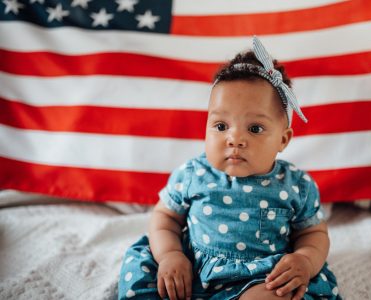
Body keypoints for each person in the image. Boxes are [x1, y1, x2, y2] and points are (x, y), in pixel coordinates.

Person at [118, 36, 340, 300]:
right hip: (193, 271)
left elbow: (313, 233)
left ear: (283, 139)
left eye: (255, 128)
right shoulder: (192, 174)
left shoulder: (295, 185)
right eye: (221, 126)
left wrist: (305, 259)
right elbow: (165, 219)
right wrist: (170, 255)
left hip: (262, 276)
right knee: (149, 278)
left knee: (278, 294)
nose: (234, 139)